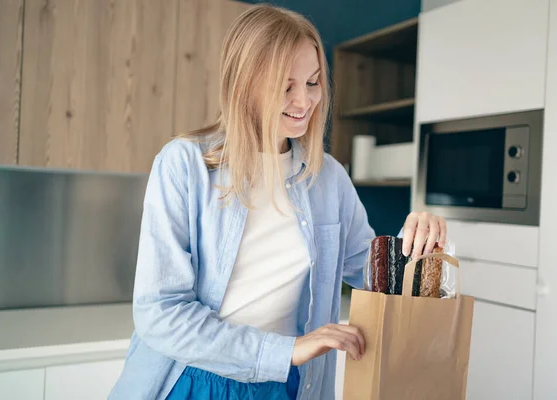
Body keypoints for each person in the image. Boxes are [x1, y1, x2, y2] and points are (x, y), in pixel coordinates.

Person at [109, 4, 446, 400]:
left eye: (313, 82)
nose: (304, 102)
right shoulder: (184, 164)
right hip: (191, 381)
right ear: (244, 84)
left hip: (287, 384)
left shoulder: (330, 179)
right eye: (285, 86)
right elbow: (161, 313)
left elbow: (374, 277)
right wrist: (286, 350)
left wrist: (419, 242)